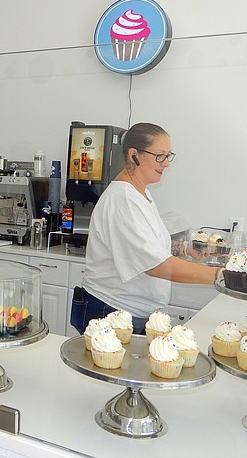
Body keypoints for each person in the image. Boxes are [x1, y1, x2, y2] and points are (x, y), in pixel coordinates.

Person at [76, 123, 222, 334]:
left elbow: (145, 245)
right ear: (134, 155)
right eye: (159, 156)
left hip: (131, 311)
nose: (166, 164)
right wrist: (218, 276)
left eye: (168, 156)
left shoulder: (140, 193)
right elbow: (154, 265)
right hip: (113, 312)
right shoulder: (123, 199)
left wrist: (184, 249)